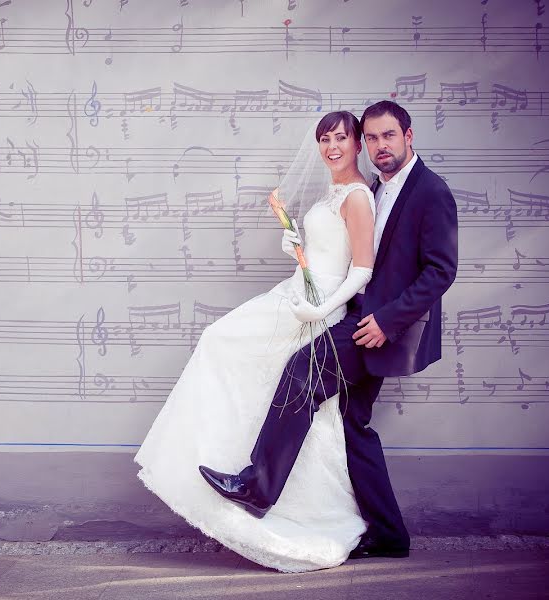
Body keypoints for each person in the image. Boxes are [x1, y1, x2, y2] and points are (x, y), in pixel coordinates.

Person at [197, 101, 458, 565]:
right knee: (354, 428)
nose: (380, 146)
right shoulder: (379, 186)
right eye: (373, 138)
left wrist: (387, 321)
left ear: (409, 136)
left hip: (377, 328)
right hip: (359, 316)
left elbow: (440, 270)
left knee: (302, 372)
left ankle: (259, 486)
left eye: (388, 136)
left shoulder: (430, 191)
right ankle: (390, 535)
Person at [135, 110, 378, 572]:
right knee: (241, 361)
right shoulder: (333, 192)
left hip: (318, 303)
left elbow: (362, 269)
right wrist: (297, 248)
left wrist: (323, 309)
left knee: (225, 345)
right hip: (300, 290)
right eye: (324, 139)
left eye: (340, 139)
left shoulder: (359, 197)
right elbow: (327, 251)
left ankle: (256, 484)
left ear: (357, 145)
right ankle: (230, 465)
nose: (331, 148)